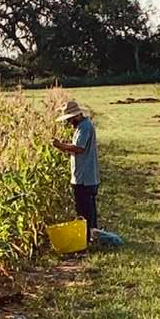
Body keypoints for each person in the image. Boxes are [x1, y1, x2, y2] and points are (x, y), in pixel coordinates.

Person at [52, 99, 100, 241]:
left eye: (69, 119)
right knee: (88, 210)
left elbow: (79, 148)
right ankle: (91, 237)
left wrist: (60, 145)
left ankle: (87, 239)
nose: (68, 122)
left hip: (84, 178)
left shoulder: (84, 127)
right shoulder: (82, 126)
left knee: (85, 212)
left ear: (76, 116)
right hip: (84, 175)